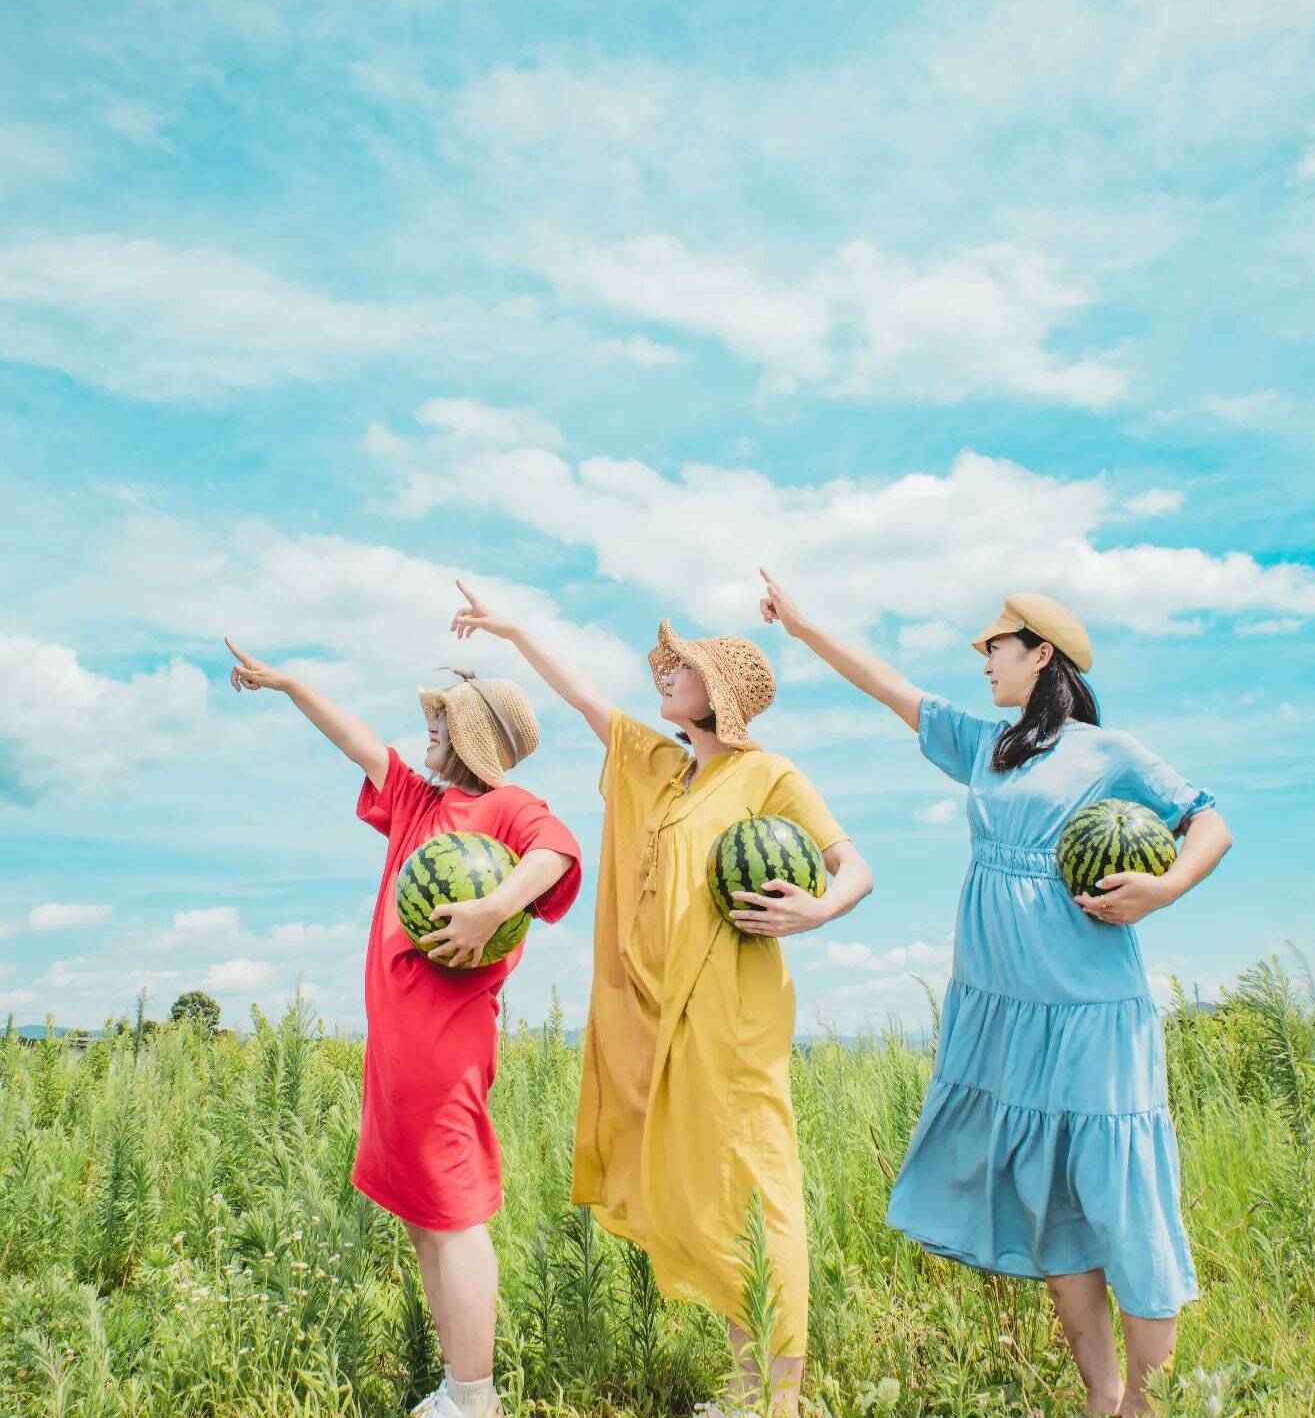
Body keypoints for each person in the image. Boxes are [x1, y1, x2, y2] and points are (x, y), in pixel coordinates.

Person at [755, 576, 1232, 1418]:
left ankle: (1149, 1405)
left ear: (1040, 655)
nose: (983, 663)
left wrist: (1165, 890)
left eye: (995, 649)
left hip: (1089, 1007)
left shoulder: (1109, 750)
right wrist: (800, 625)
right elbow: (885, 684)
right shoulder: (988, 743)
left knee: (1123, 1201)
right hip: (1002, 1010)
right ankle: (1101, 1397)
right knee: (1052, 1208)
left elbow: (1209, 822)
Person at [447, 581, 874, 1416]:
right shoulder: (664, 770)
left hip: (735, 1021)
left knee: (760, 1196)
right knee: (714, 1196)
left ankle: (775, 1400)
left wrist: (818, 908)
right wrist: (515, 632)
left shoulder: (768, 775)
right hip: (664, 1017)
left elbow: (851, 866)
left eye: (685, 669)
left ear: (718, 695)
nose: (667, 675)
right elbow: (584, 699)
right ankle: (748, 1388)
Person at [224, 638, 582, 1418]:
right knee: (427, 1218)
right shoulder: (421, 803)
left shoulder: (505, 808)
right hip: (397, 1049)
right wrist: (289, 684)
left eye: (445, 719)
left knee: (452, 1218)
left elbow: (558, 850)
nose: (430, 728)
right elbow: (356, 738)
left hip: (442, 1047)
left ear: (475, 736)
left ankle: (475, 1398)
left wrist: (494, 907)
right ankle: (460, 1387)